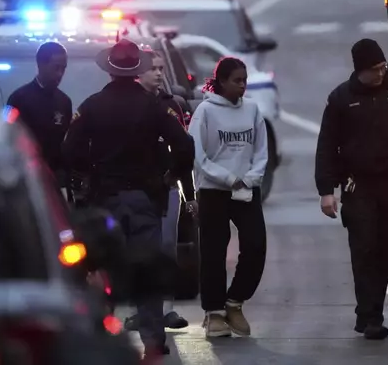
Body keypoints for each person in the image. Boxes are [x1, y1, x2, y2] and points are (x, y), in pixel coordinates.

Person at [62, 39, 194, 360]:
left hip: (105, 199)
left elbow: (69, 149)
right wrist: (169, 175)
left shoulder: (92, 106)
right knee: (146, 268)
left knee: (103, 269)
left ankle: (100, 333)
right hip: (145, 199)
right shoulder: (154, 106)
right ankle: (152, 341)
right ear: (138, 69)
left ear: (109, 70)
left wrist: (86, 176)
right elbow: (184, 145)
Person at [314, 38, 388, 340]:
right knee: (364, 248)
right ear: (361, 70)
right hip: (358, 185)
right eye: (375, 69)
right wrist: (326, 189)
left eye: (383, 67)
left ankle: (370, 303)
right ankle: (371, 314)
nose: (381, 73)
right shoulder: (341, 98)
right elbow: (326, 145)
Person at [188, 57, 268, 338]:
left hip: (245, 188)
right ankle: (214, 313)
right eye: (237, 80)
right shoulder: (205, 112)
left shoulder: (253, 110)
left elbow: (261, 151)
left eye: (245, 80)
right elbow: (197, 155)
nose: (243, 86)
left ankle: (235, 302)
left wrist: (250, 178)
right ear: (221, 82)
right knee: (213, 251)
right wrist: (226, 178)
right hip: (214, 190)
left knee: (256, 245)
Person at [123, 49, 194, 331]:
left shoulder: (172, 105)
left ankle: (167, 309)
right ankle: (139, 309)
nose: (159, 73)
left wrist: (188, 192)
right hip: (134, 186)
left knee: (166, 245)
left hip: (166, 186)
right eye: (153, 68)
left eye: (161, 68)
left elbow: (184, 150)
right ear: (137, 72)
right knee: (135, 249)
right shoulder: (127, 104)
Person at [5, 41, 71, 187]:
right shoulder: (17, 99)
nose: (60, 74)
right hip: (26, 181)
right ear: (41, 64)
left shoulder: (64, 102)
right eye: (56, 68)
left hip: (55, 182)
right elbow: (7, 138)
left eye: (63, 68)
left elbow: (64, 144)